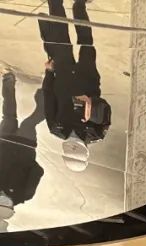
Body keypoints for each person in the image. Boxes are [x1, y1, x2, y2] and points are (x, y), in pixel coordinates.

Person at [39, 0, 111, 159]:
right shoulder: (97, 133)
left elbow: (48, 95)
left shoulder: (56, 128)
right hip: (88, 78)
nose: (73, 144)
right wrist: (91, 103)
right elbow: (106, 108)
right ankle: (79, 6)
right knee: (86, 43)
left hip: (63, 77)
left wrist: (49, 73)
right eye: (76, 148)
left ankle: (55, 3)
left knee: (59, 39)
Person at [1, 69, 45, 228]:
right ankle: (47, 88)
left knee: (9, 116)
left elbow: (37, 171)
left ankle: (8, 79)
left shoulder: (23, 195)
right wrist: (25, 162)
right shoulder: (24, 194)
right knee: (28, 122)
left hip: (7, 141)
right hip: (22, 145)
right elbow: (38, 171)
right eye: (5, 204)